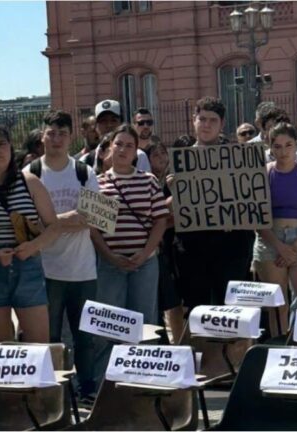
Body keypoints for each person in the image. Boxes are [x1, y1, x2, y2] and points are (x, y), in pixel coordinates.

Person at [0, 121, 83, 343]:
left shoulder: (29, 181)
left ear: (11, 147)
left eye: (2, 144)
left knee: (39, 344)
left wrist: (33, 246)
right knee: (3, 346)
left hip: (28, 266)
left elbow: (53, 225)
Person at [23, 111, 99, 401]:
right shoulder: (31, 173)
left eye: (62, 133)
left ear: (71, 137)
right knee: (50, 337)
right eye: (50, 132)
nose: (55, 138)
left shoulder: (83, 172)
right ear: (42, 135)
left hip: (83, 269)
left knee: (85, 337)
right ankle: (55, 392)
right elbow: (29, 223)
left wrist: (52, 221)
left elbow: (94, 217)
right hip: (45, 270)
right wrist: (69, 218)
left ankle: (87, 388)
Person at [91, 124, 168, 385]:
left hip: (145, 263)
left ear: (136, 152)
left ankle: (145, 379)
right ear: (110, 147)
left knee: (145, 321)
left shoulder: (148, 181)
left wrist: (145, 254)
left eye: (129, 145)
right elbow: (93, 228)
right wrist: (110, 257)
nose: (123, 149)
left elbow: (160, 221)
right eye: (119, 144)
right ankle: (106, 381)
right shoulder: (98, 183)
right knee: (107, 323)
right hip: (109, 264)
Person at [176, 97, 256, 309]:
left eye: (212, 120)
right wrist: (176, 190)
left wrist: (237, 217)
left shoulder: (238, 157)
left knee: (232, 312)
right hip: (193, 250)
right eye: (202, 119)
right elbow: (167, 210)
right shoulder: (180, 160)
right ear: (194, 121)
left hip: (231, 248)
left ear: (221, 124)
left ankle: (234, 344)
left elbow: (251, 202)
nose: (206, 125)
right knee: (197, 312)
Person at [255, 123, 297, 334]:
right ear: (270, 147)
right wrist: (279, 246)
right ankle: (279, 350)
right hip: (269, 241)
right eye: (277, 146)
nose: (283, 151)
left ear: (296, 145)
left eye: (288, 145)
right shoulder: (262, 174)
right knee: (277, 307)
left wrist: (294, 247)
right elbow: (256, 217)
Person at [145, 141, 185, 343]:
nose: (161, 157)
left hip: (173, 244)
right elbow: (155, 217)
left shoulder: (173, 179)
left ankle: (178, 342)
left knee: (175, 300)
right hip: (155, 248)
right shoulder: (145, 182)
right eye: (155, 155)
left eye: (163, 153)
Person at [82, 100, 151, 172]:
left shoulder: (139, 157)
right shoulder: (86, 161)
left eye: (113, 120)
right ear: (96, 127)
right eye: (103, 121)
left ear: (121, 123)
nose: (109, 125)